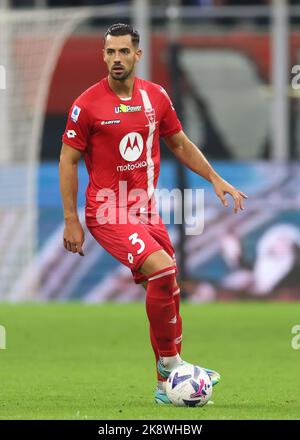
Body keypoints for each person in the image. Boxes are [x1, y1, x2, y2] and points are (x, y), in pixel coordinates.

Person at [59, 23, 247, 404]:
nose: (116, 59)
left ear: (137, 55)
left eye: (123, 52)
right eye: (110, 52)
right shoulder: (87, 105)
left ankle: (165, 386)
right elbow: (68, 159)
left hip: (147, 211)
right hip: (108, 210)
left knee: (166, 290)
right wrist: (71, 218)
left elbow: (179, 142)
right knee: (163, 269)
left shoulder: (155, 97)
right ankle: (172, 365)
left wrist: (215, 178)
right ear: (103, 56)